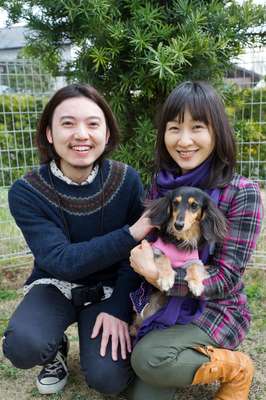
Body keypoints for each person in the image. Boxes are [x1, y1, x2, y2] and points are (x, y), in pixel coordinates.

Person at [2, 83, 153, 396]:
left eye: (93, 124)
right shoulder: (27, 191)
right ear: (49, 133)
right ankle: (54, 348)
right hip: (55, 284)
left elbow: (136, 255)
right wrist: (130, 233)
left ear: (107, 134)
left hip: (110, 288)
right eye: (68, 123)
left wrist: (119, 308)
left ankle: (95, 336)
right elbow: (61, 261)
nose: (81, 134)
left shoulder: (126, 180)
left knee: (108, 380)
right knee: (23, 345)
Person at [129, 81, 263, 400]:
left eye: (197, 127)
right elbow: (147, 249)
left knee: (147, 359)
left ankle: (235, 367)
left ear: (216, 132)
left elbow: (227, 278)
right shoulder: (162, 189)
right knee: (121, 371)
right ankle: (164, 356)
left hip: (215, 309)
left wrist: (158, 276)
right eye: (175, 128)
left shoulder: (241, 193)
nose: (184, 140)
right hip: (161, 305)